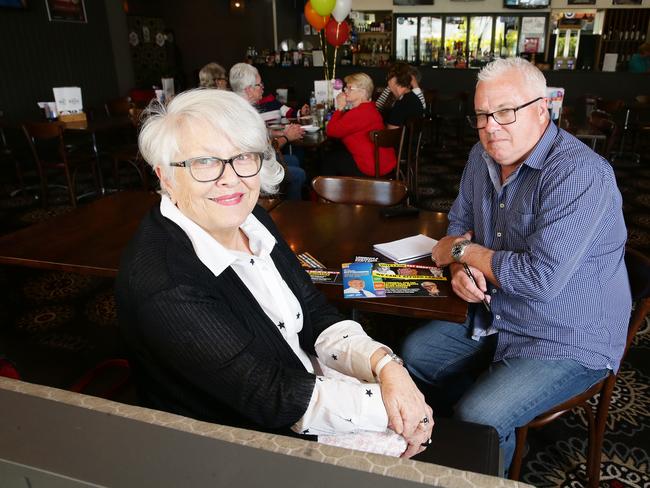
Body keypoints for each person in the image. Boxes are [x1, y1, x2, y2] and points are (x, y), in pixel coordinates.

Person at [116, 89, 433, 458]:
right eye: (204, 162)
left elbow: (314, 311)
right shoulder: (166, 281)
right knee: (404, 441)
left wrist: (388, 366)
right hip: (229, 442)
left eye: (242, 157)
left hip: (291, 384)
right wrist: (397, 409)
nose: (230, 179)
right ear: (166, 176)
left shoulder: (253, 219)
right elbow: (267, 395)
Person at [402, 57, 631, 473]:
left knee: (482, 414)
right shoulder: (480, 155)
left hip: (567, 333)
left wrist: (461, 254)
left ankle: (486, 441)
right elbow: (459, 223)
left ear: (542, 109)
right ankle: (476, 440)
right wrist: (458, 270)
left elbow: (539, 280)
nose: (491, 126)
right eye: (482, 115)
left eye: (506, 111)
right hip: (497, 309)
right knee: (415, 355)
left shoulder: (580, 174)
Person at [229, 62, 306, 200]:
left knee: (293, 160)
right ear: (249, 90)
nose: (262, 88)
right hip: (251, 169)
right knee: (299, 175)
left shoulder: (235, 108)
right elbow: (265, 151)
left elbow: (261, 135)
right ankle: (289, 212)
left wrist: (279, 133)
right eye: (259, 85)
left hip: (245, 164)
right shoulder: (247, 116)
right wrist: (287, 138)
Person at [324, 72, 396, 177]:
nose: (345, 91)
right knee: (339, 153)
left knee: (329, 159)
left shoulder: (358, 113)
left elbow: (330, 131)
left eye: (350, 88)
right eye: (345, 88)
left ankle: (325, 192)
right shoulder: (370, 109)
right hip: (385, 163)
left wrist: (339, 108)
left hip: (372, 168)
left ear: (362, 92)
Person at [384, 62, 425, 129]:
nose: (387, 81)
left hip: (399, 139)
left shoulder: (401, 105)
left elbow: (391, 135)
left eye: (388, 77)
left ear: (394, 79)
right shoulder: (415, 99)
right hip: (411, 139)